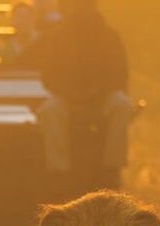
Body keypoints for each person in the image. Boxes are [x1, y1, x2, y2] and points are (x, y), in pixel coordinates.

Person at [37, 0, 133, 174]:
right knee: (49, 110)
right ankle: (59, 169)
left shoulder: (109, 36)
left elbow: (120, 74)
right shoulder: (58, 37)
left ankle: (112, 166)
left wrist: (99, 92)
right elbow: (49, 75)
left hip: (102, 97)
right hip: (67, 98)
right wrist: (69, 93)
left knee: (122, 105)